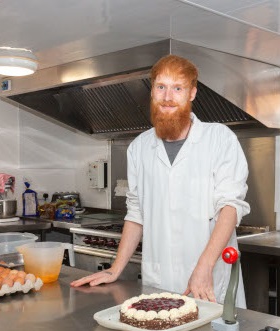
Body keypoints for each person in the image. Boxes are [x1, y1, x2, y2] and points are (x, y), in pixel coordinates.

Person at [71, 54, 250, 307]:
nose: (168, 97)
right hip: (161, 280)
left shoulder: (220, 139)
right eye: (161, 87)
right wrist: (115, 269)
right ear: (152, 92)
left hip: (209, 279)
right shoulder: (139, 147)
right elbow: (136, 213)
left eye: (178, 88)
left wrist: (204, 266)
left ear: (192, 93)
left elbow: (230, 208)